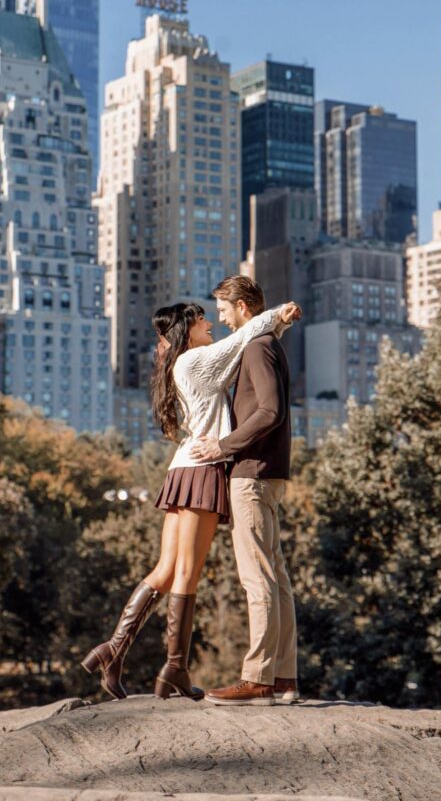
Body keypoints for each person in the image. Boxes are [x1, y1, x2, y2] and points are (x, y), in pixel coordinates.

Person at [81, 298, 301, 702]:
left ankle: (115, 650)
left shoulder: (189, 364)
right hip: (201, 470)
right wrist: (278, 315)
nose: (209, 322)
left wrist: (276, 329)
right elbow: (244, 337)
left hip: (182, 467)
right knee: (186, 574)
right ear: (186, 329)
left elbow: (239, 352)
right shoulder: (193, 360)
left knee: (166, 568)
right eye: (201, 318)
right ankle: (173, 667)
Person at [191, 276, 299, 706]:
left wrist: (222, 446)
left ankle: (257, 679)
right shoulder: (267, 343)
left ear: (241, 306)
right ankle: (284, 678)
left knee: (258, 579)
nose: (219, 315)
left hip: (251, 475)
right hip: (267, 473)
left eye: (222, 308)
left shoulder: (257, 347)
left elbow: (270, 410)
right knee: (277, 580)